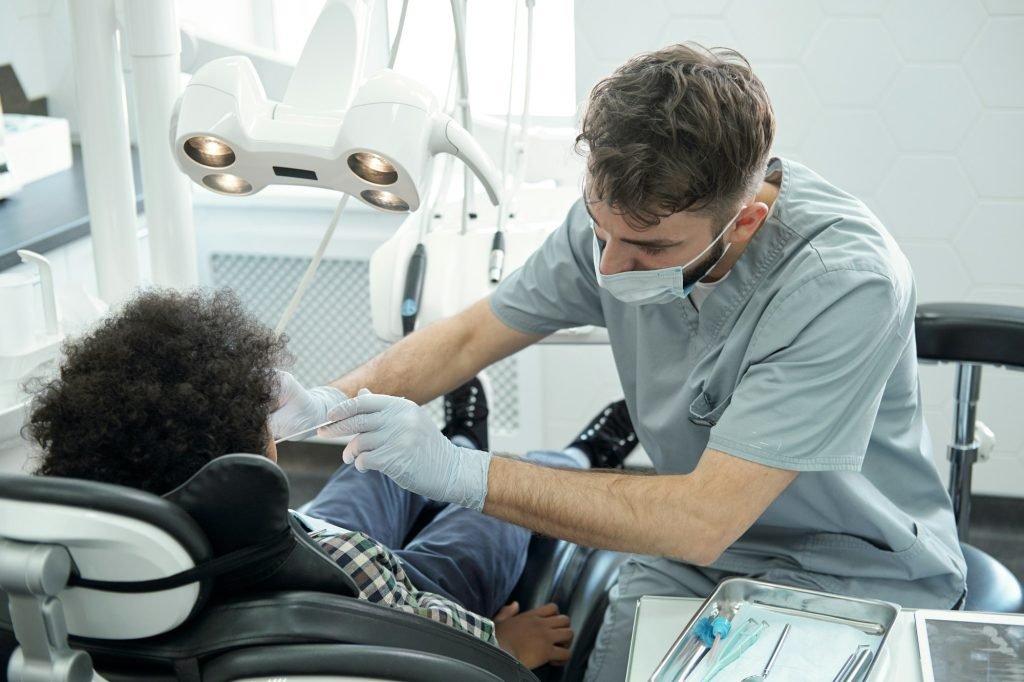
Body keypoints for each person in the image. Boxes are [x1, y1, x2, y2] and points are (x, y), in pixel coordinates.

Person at [271, 42, 967, 682]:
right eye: (598, 228)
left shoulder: (844, 282)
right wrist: (329, 400)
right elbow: (468, 338)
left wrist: (460, 471)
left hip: (852, 569)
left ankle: (574, 452)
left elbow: (703, 517)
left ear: (745, 221)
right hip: (690, 557)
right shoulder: (621, 215)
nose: (607, 266)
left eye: (647, 250)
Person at [24, 289, 574, 670]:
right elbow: (431, 630)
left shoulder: (90, 568)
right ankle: (567, 454)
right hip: (387, 591)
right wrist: (501, 643)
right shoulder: (357, 564)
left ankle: (461, 438)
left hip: (277, 548)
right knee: (486, 514)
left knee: (371, 467)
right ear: (250, 458)